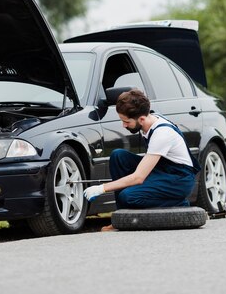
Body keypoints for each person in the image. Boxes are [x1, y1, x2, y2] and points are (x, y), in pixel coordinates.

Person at [83, 89, 200, 231]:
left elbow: (138, 178)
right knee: (118, 156)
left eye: (126, 121)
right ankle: (122, 219)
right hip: (163, 170)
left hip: (179, 179)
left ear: (142, 119)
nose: (123, 125)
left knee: (129, 197)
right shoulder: (148, 120)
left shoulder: (162, 134)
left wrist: (101, 188)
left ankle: (177, 203)